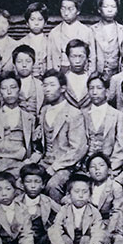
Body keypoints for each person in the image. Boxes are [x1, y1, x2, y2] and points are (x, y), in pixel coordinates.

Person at [0, 72, 39, 209]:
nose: (9, 92)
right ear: (0, 91)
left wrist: (30, 160)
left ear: (19, 89)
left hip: (21, 164)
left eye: (13, 87)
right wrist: (21, 152)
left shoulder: (29, 117)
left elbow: (37, 148)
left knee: (21, 186)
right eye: (5, 89)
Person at [39, 69, 88, 201]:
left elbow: (78, 149)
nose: (47, 89)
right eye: (45, 85)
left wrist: (55, 167)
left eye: (52, 85)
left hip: (66, 165)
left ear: (62, 88)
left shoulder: (74, 113)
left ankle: (59, 219)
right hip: (45, 162)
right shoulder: (43, 111)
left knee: (52, 185)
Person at [48, 173, 106, 244]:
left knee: (87, 239)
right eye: (76, 192)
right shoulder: (64, 210)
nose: (81, 195)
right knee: (64, 239)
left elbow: (98, 232)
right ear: (69, 195)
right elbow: (55, 229)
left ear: (90, 195)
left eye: (85, 192)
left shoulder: (94, 212)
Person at [18, 164, 61, 244]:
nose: (33, 186)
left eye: (37, 182)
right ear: (22, 184)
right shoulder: (17, 202)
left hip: (40, 242)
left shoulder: (47, 201)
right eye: (28, 182)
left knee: (53, 232)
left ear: (43, 185)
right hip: (22, 241)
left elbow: (62, 212)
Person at [83, 74, 123, 174]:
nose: (94, 92)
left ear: (106, 91)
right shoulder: (82, 114)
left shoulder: (117, 115)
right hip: (85, 166)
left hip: (110, 167)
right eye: (91, 88)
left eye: (99, 88)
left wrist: (110, 168)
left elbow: (121, 148)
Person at [47, 0, 96, 73]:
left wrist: (89, 75)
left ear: (78, 11)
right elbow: (49, 58)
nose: (66, 13)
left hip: (81, 72)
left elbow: (92, 57)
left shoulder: (87, 31)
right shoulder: (54, 32)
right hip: (60, 72)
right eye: (63, 8)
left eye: (70, 9)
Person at [91, 0, 123, 81]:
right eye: (106, 7)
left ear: (117, 10)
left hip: (117, 73)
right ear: (99, 10)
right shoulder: (92, 30)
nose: (109, 10)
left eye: (113, 7)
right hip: (98, 74)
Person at [17, 1, 50, 77]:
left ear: (45, 22)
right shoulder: (21, 43)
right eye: (32, 19)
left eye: (40, 19)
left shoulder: (50, 42)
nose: (36, 23)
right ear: (27, 23)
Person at [12, 44, 44, 117]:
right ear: (14, 64)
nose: (24, 65)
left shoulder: (40, 84)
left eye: (28, 61)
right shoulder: (9, 83)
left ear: (33, 63)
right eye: (19, 61)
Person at [62, 39, 92, 109]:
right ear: (68, 57)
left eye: (81, 56)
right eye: (73, 56)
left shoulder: (92, 79)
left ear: (87, 57)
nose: (77, 61)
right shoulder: (62, 80)